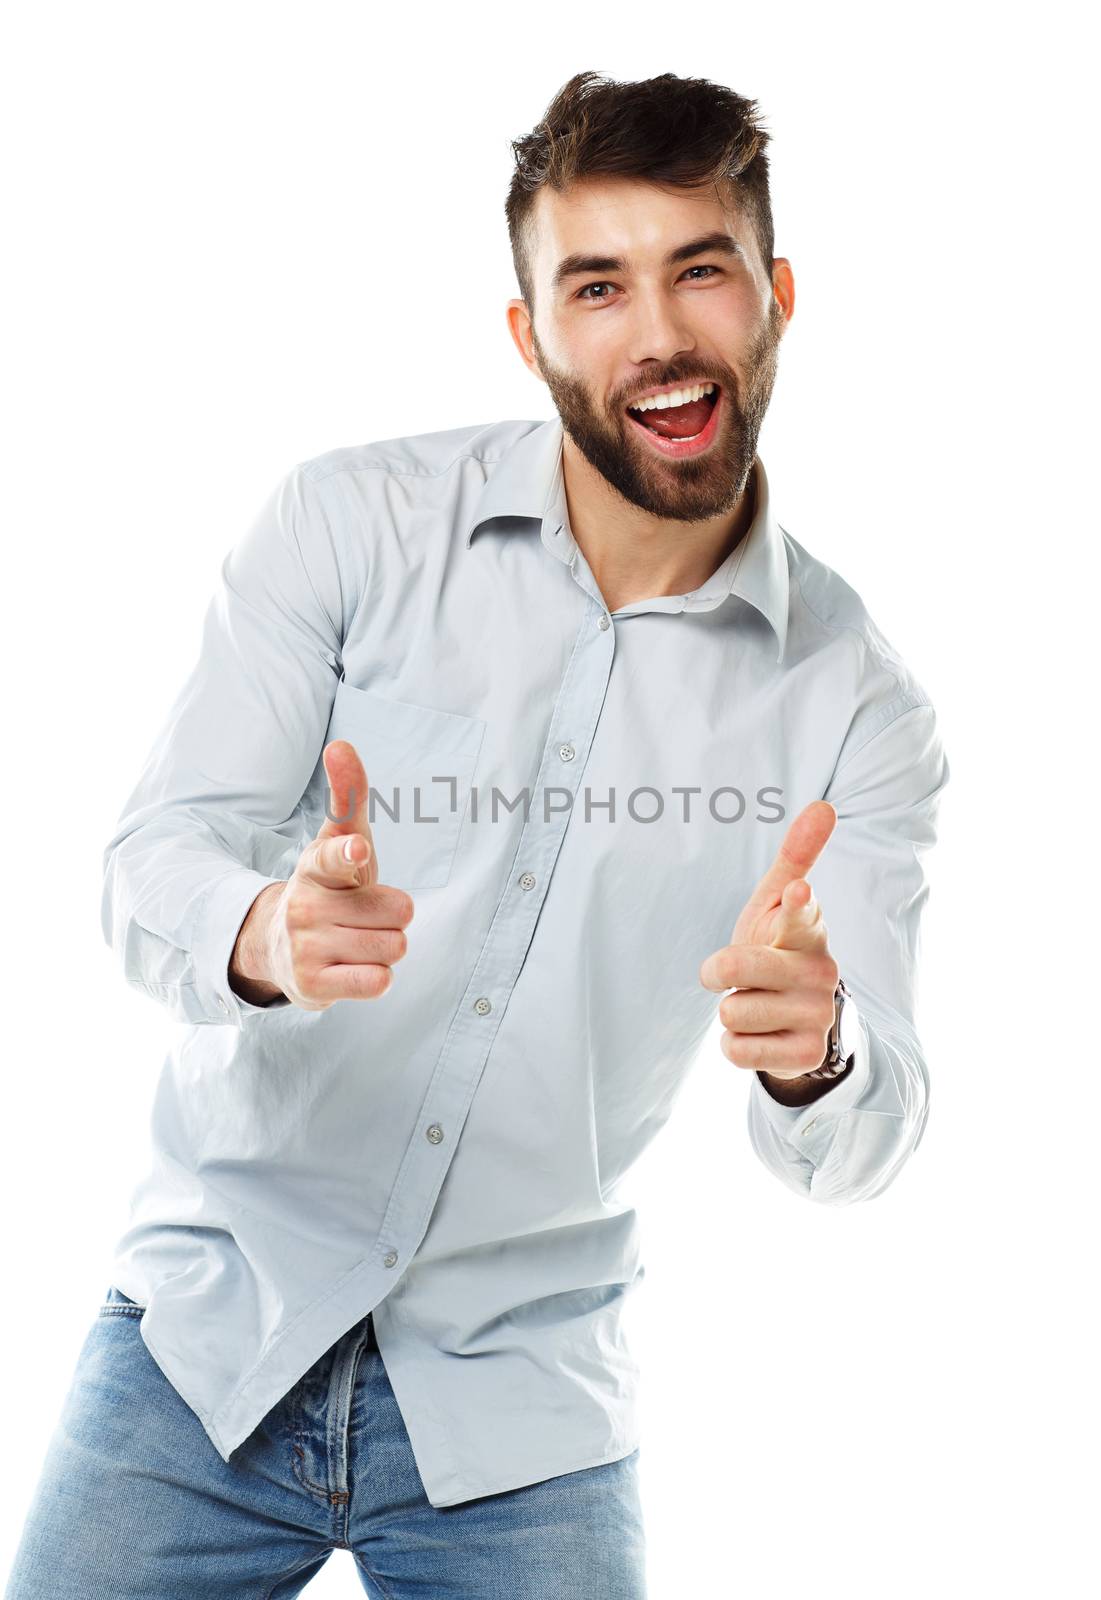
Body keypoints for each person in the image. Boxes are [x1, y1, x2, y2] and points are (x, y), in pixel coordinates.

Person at [6, 68, 949, 1599]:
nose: (654, 332)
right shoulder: (342, 527)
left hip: (522, 1416)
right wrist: (261, 933)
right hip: (204, 1344)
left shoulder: (857, 707)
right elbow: (149, 862)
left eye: (698, 269)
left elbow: (872, 1126)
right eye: (597, 285)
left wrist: (818, 1050)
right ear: (530, 333)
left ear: (773, 299)